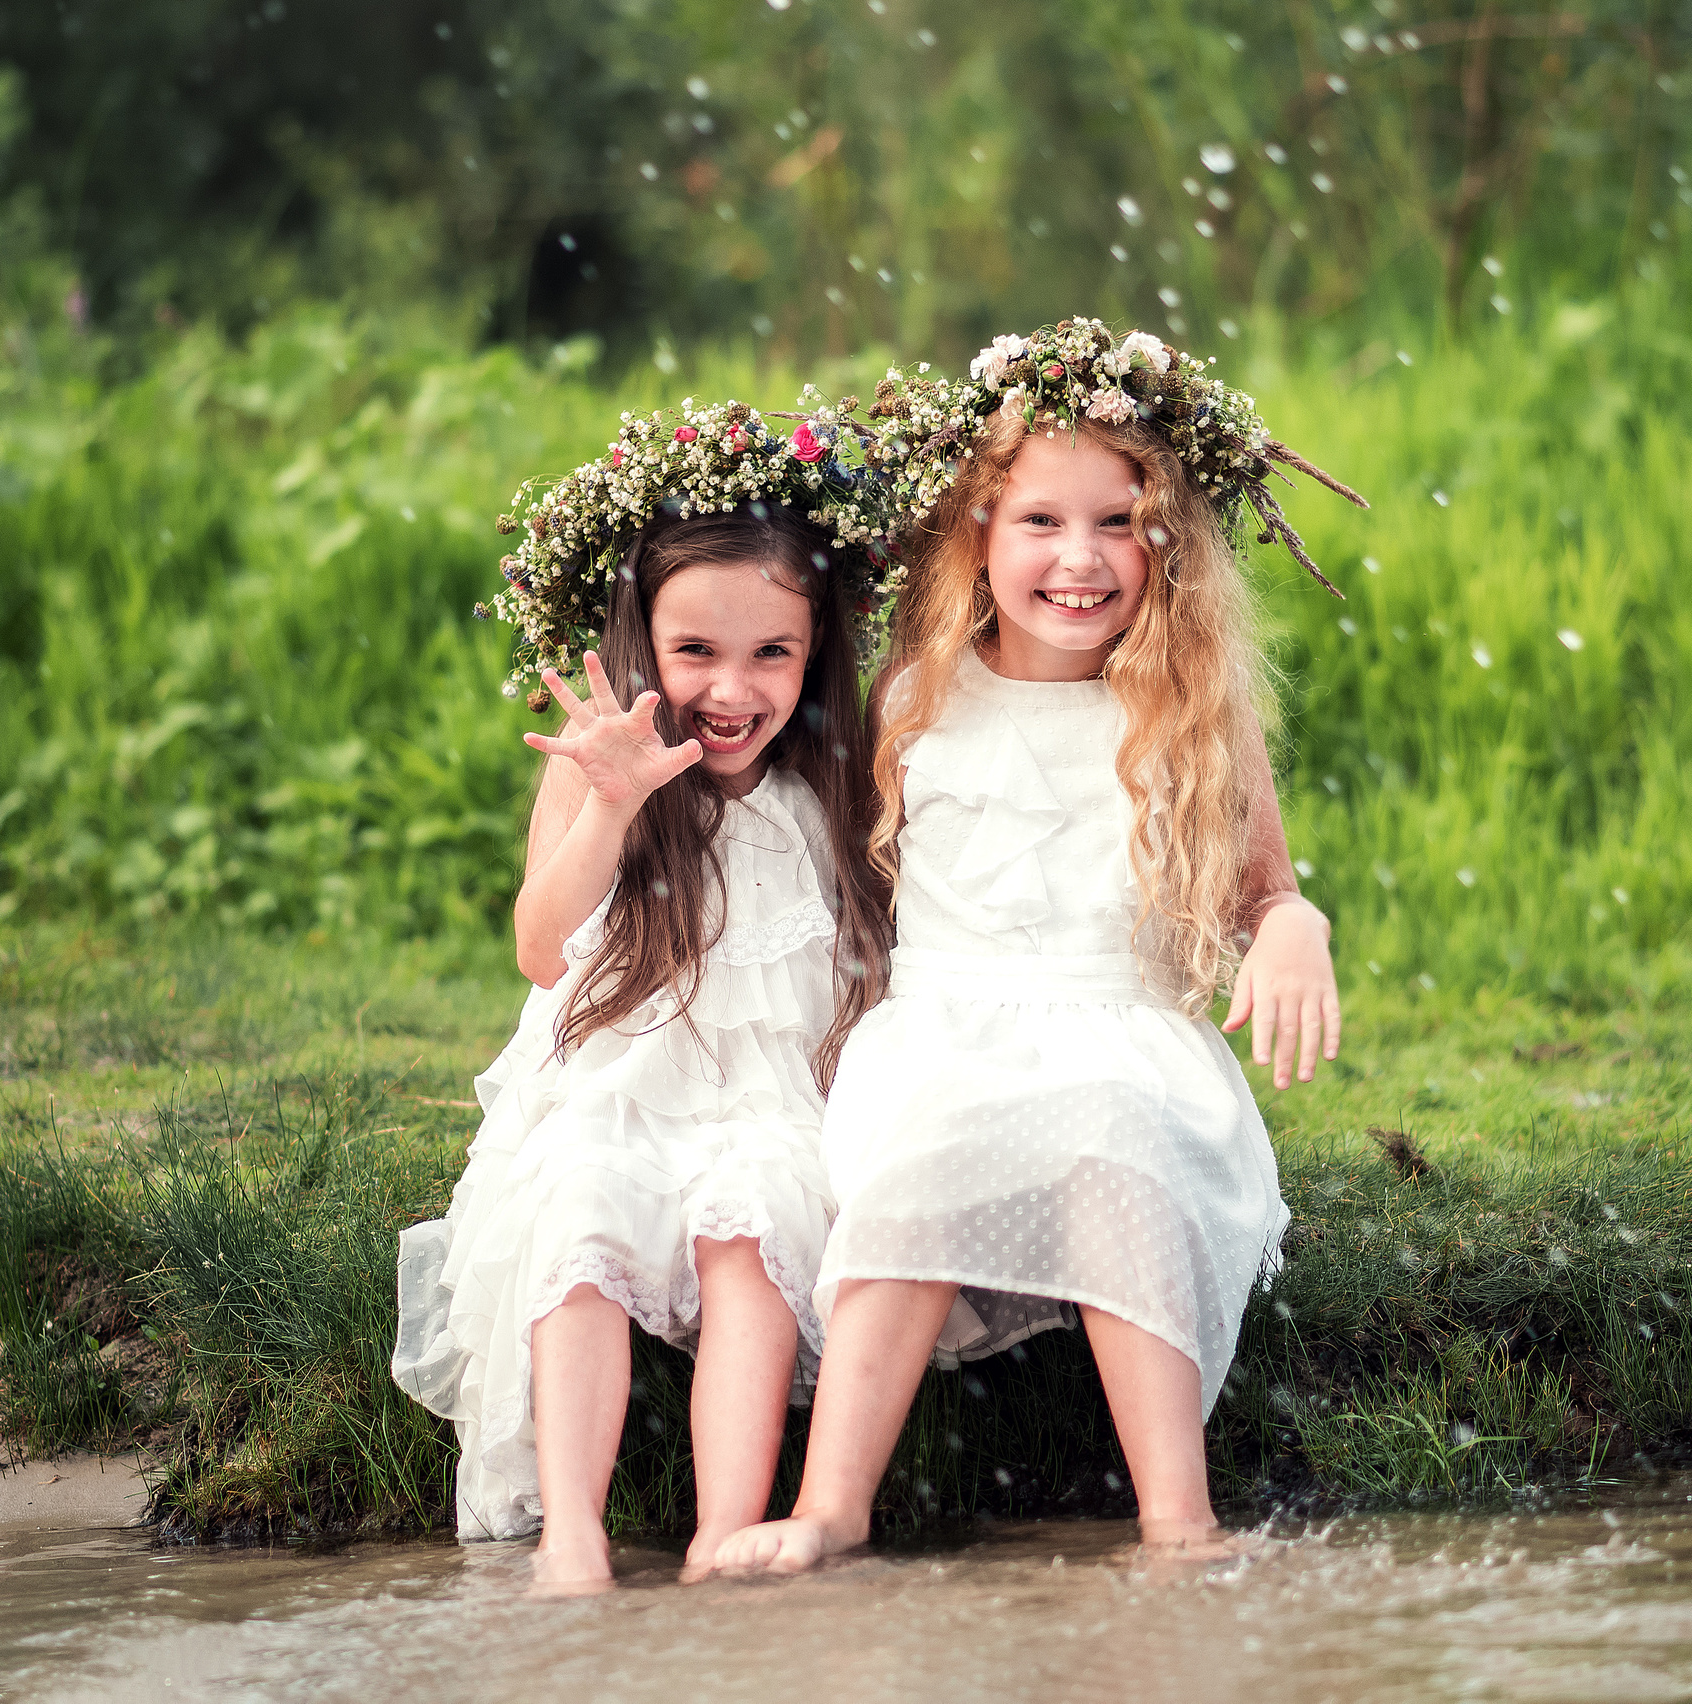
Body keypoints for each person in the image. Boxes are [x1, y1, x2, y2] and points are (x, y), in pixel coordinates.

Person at [712, 321, 1365, 1571]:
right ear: (977, 536)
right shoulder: (913, 696)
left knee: (1114, 1131)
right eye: (1039, 523)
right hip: (944, 1033)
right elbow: (794, 841)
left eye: (1119, 522)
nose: (1081, 559)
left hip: (1124, 1031)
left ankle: (1178, 1521)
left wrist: (1294, 928)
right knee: (920, 1150)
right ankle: (832, 1506)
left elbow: (1263, 891)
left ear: (1168, 541)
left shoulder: (1189, 709)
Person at [391, 401, 895, 1589]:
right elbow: (537, 945)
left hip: (771, 1091)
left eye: (772, 653)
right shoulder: (599, 761)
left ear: (815, 652)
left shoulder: (833, 780)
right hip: (623, 1075)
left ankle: (725, 1524)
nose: (732, 688)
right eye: (697, 653)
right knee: (579, 1215)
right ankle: (573, 1530)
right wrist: (611, 805)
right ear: (642, 643)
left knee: (753, 1221)